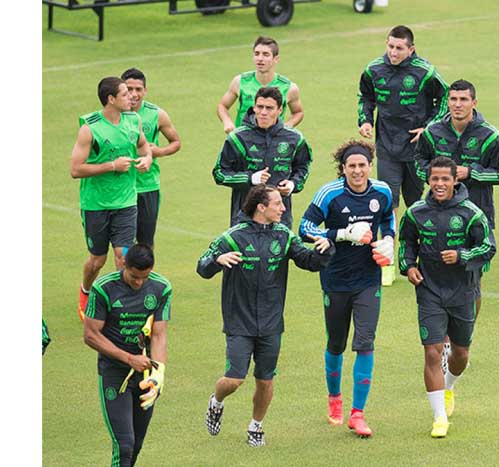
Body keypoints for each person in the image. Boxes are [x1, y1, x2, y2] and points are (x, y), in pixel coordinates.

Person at [197, 185, 334, 447]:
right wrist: (217, 260)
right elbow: (202, 266)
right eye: (277, 203)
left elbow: (309, 262)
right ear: (261, 207)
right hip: (239, 321)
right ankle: (217, 401)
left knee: (265, 380)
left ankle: (256, 426)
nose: (283, 208)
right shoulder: (233, 237)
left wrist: (324, 249)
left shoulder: (284, 236)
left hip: (271, 322)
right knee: (234, 379)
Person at [299, 140, 394, 438]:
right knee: (336, 344)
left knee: (365, 342)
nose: (357, 171)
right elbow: (305, 228)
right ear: (343, 168)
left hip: (368, 280)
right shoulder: (329, 194)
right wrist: (342, 233)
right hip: (335, 279)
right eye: (351, 166)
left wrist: (389, 240)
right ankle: (334, 398)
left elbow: (388, 218)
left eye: (362, 165)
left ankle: (358, 414)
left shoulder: (382, 191)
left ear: (370, 166)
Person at [398, 157, 495, 438]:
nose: (439, 184)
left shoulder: (471, 213)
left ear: (455, 180)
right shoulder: (415, 213)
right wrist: (409, 267)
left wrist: (462, 255)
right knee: (432, 351)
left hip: (463, 291)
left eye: (445, 179)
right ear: (428, 181)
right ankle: (439, 418)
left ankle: (449, 386)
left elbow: (488, 247)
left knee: (460, 354)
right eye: (435, 179)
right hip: (429, 291)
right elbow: (406, 244)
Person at [415, 79, 499, 371]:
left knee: (472, 282)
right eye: (453, 99)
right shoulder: (433, 132)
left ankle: (462, 336)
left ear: (474, 103)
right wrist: (436, 178)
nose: (457, 104)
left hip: (476, 219)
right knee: (438, 277)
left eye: (463, 99)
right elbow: (419, 162)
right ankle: (443, 342)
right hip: (436, 218)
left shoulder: (490, 136)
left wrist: (472, 173)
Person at [358, 24, 448, 286]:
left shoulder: (425, 71)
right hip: (387, 147)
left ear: (411, 49)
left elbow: (444, 98)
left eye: (399, 48)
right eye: (390, 46)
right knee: (388, 203)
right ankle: (387, 261)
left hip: (417, 150)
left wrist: (429, 128)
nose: (393, 52)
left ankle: (419, 257)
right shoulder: (374, 69)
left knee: (416, 205)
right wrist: (365, 120)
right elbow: (365, 97)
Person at [70, 77, 153, 321]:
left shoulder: (133, 120)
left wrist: (147, 158)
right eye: (125, 93)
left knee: (123, 256)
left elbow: (143, 146)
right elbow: (75, 169)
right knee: (97, 260)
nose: (132, 96)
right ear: (111, 99)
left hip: (126, 203)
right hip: (96, 204)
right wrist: (112, 166)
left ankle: (123, 305)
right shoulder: (90, 128)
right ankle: (86, 291)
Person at [83, 244, 171, 466]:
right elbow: (91, 335)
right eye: (134, 277)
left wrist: (158, 373)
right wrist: (129, 358)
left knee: (136, 445)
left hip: (145, 374)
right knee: (124, 445)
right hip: (114, 372)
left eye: (144, 277)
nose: (139, 282)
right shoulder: (104, 288)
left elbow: (159, 334)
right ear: (123, 264)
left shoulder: (161, 288)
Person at [212, 86, 312, 229]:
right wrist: (251, 178)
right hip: (244, 220)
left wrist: (292, 184)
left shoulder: (294, 138)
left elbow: (303, 167)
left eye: (269, 108)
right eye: (259, 107)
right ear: (254, 107)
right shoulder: (238, 138)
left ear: (280, 110)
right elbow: (220, 174)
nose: (263, 112)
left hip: (280, 220)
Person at [121, 68, 182, 248]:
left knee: (146, 243)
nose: (134, 94)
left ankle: (143, 267)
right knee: (124, 244)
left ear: (145, 91)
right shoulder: (114, 114)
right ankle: (126, 267)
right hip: (120, 188)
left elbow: (176, 142)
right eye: (129, 89)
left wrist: (158, 152)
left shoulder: (156, 114)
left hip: (147, 186)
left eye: (138, 89)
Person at [217, 35, 303, 133]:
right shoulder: (240, 81)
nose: (260, 58)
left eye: (265, 54)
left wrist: (286, 126)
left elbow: (298, 112)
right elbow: (222, 106)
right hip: (243, 139)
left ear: (276, 59)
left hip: (272, 140)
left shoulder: (289, 88)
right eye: (257, 54)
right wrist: (227, 121)